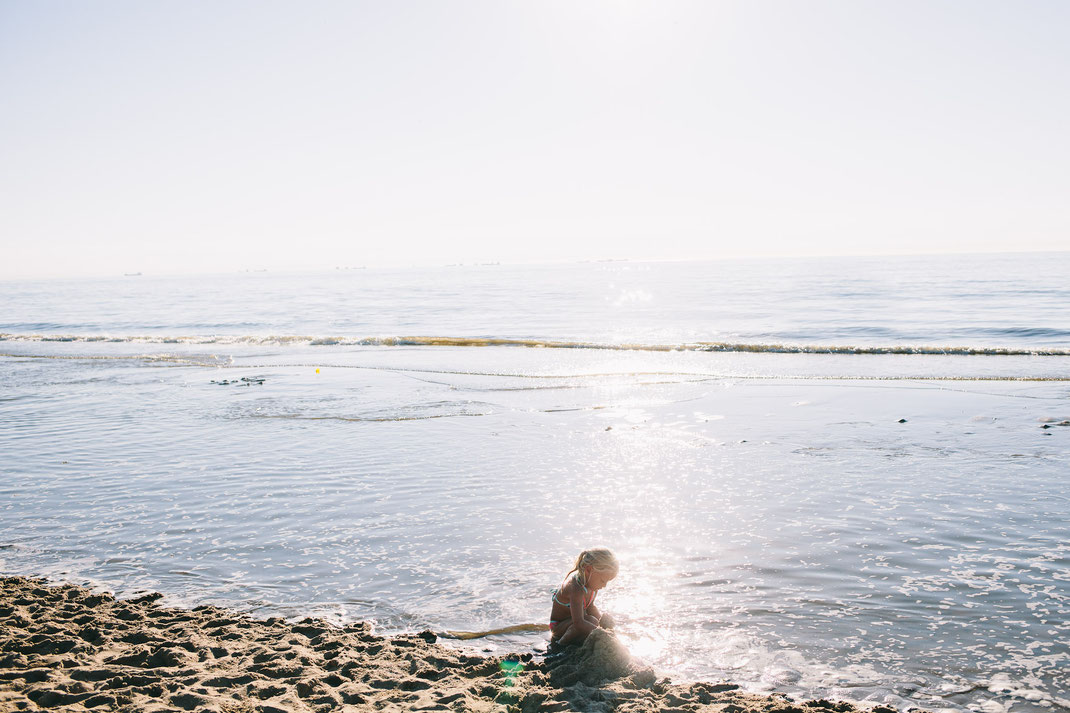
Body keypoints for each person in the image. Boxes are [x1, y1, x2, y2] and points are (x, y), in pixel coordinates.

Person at [548, 547, 619, 646]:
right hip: (559, 627)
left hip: (573, 622)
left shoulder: (592, 587)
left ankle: (578, 641)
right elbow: (578, 623)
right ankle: (559, 645)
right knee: (590, 621)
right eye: (603, 580)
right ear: (589, 570)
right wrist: (603, 634)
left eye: (607, 582)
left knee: (594, 620)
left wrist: (603, 626)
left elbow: (590, 607)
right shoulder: (576, 589)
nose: (604, 585)